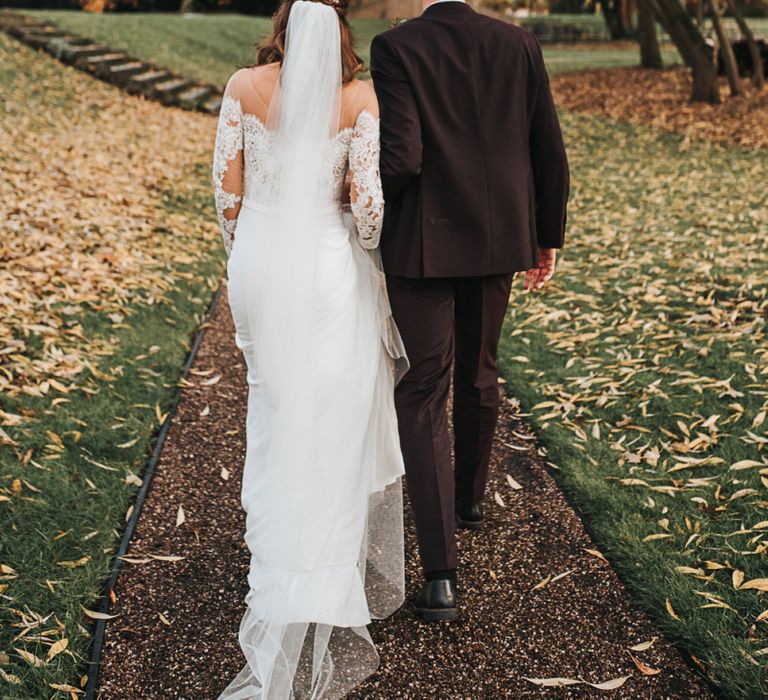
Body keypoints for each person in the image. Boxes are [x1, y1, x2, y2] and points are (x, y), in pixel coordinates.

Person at [211, 1, 408, 696]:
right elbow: (371, 208)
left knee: (273, 404)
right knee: (328, 412)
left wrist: (251, 253)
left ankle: (270, 560)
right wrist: (361, 249)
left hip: (261, 262)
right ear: (343, 38)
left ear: (283, 32)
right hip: (327, 265)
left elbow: (225, 195)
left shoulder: (242, 86)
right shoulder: (360, 97)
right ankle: (319, 572)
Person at [371, 0, 570, 621]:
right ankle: (470, 501)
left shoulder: (396, 47)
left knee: (424, 386)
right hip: (498, 237)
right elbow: (547, 145)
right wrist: (546, 234)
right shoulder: (518, 43)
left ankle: (440, 576)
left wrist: (361, 197)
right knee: (481, 370)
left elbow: (400, 159)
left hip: (422, 245)